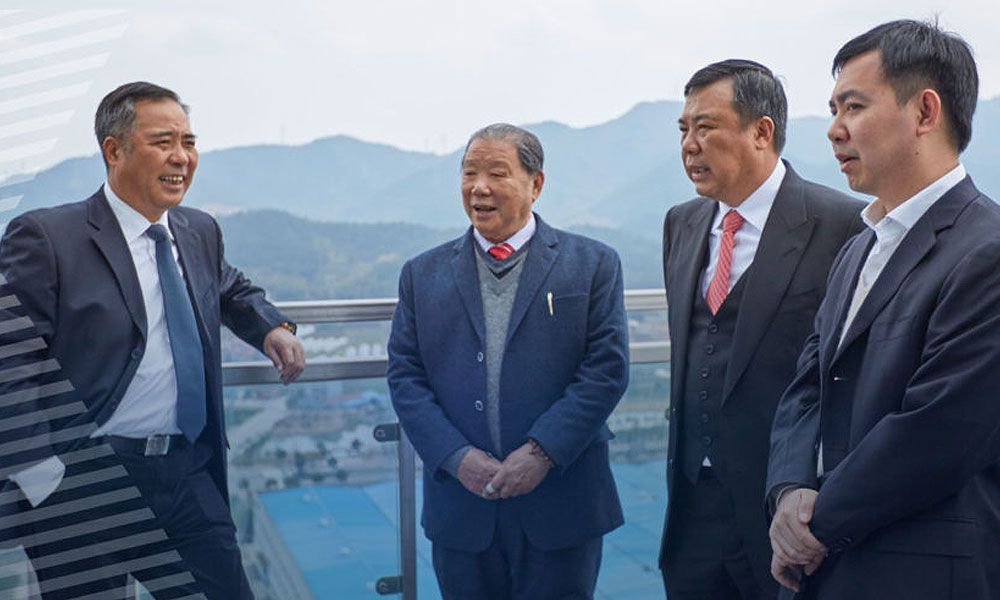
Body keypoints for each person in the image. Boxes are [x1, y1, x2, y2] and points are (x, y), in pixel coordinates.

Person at [0, 81, 305, 599]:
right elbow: (10, 360)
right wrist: (40, 474)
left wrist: (271, 326)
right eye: (163, 142)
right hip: (84, 480)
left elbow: (227, 286)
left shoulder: (198, 230)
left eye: (189, 142)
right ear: (114, 151)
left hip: (186, 475)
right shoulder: (48, 237)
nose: (181, 157)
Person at [766, 20, 1000, 599]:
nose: (834, 130)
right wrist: (789, 489)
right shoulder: (859, 247)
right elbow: (807, 384)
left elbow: (940, 431)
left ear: (925, 111)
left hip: (919, 570)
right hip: (827, 564)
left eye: (853, 107)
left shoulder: (986, 250)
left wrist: (812, 527)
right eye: (833, 110)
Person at [387, 123, 629, 600]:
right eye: (469, 173)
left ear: (536, 184)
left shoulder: (593, 264)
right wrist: (456, 457)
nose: (479, 187)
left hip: (562, 501)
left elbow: (607, 369)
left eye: (497, 173)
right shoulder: (422, 274)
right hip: (462, 507)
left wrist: (541, 452)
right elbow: (405, 376)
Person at [659, 59, 863, 600]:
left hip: (786, 508)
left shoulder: (842, 224)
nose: (689, 145)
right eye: (683, 129)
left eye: (705, 127)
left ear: (761, 131)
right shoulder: (681, 223)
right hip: (693, 509)